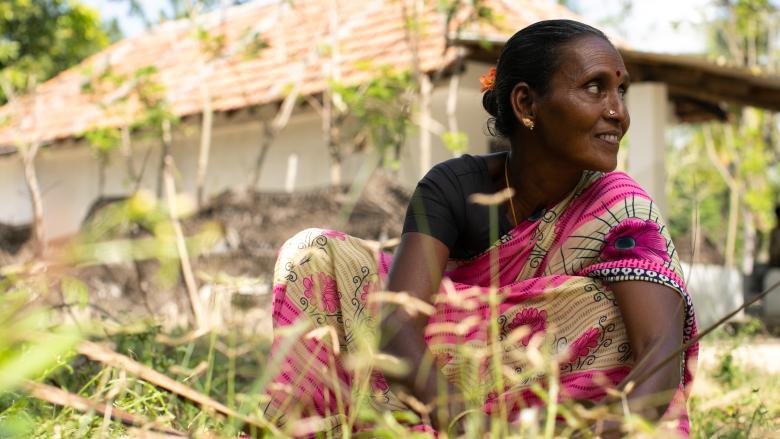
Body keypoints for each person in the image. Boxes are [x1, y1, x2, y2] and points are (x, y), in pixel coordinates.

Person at [264, 19, 698, 436]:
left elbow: (659, 349)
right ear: (526, 104)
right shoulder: (454, 187)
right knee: (315, 253)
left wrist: (610, 428)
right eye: (594, 88)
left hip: (558, 422)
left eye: (621, 91)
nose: (618, 112)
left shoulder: (623, 208)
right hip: (432, 397)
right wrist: (470, 426)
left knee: (606, 309)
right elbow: (398, 325)